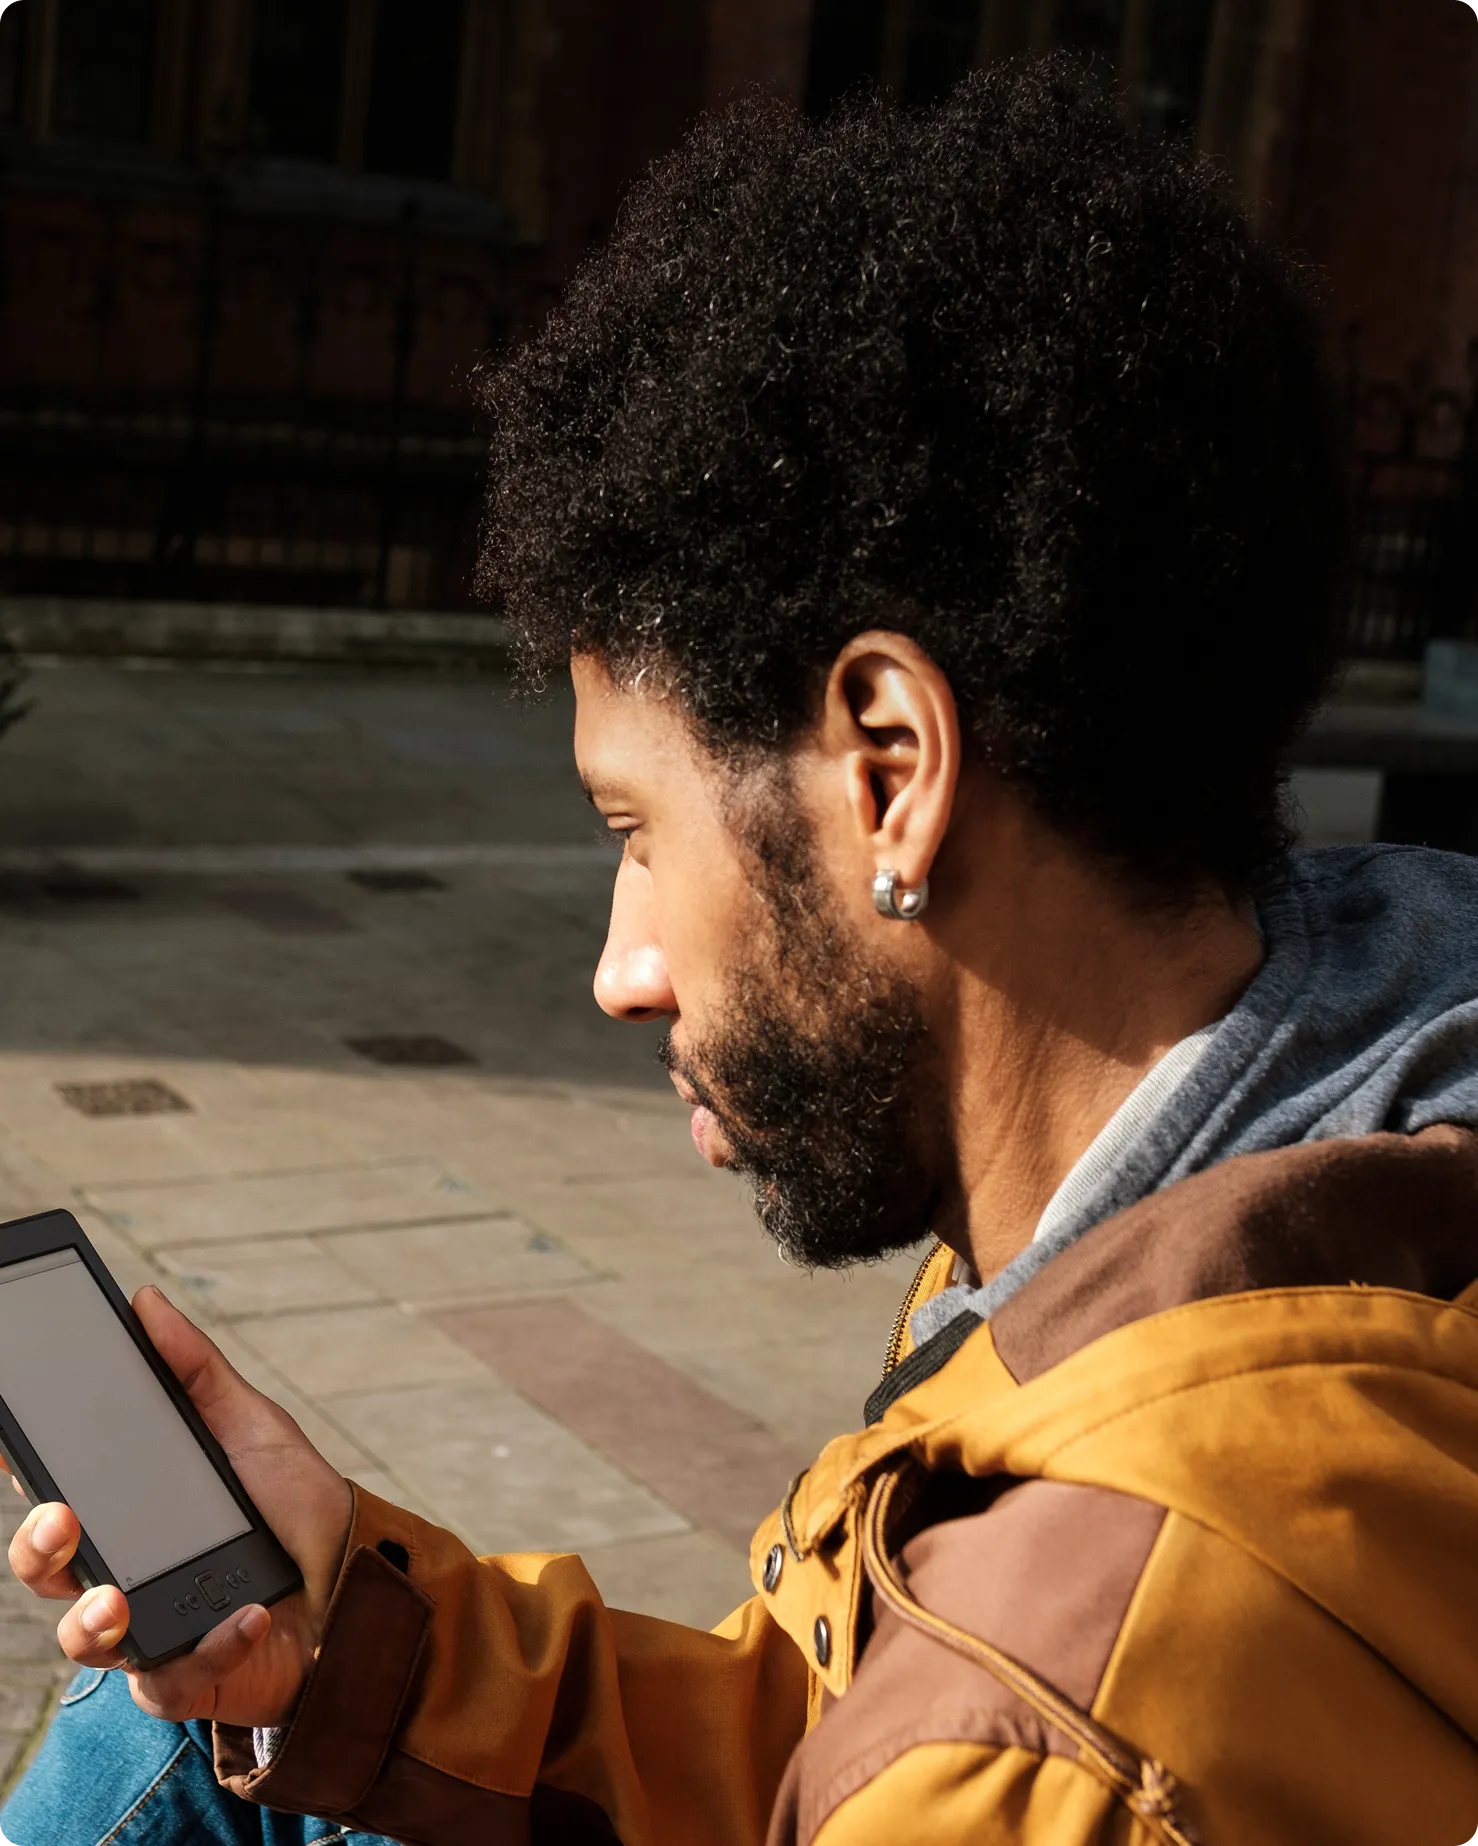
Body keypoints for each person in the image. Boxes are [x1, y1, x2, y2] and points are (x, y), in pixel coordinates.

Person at [7, 56, 1478, 1846]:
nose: (623, 967)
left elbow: (938, 1746)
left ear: (889, 768)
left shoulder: (1049, 1746)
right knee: (181, 1717)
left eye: (637, 833)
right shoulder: (1322, 1131)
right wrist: (356, 1646)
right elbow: (829, 1730)